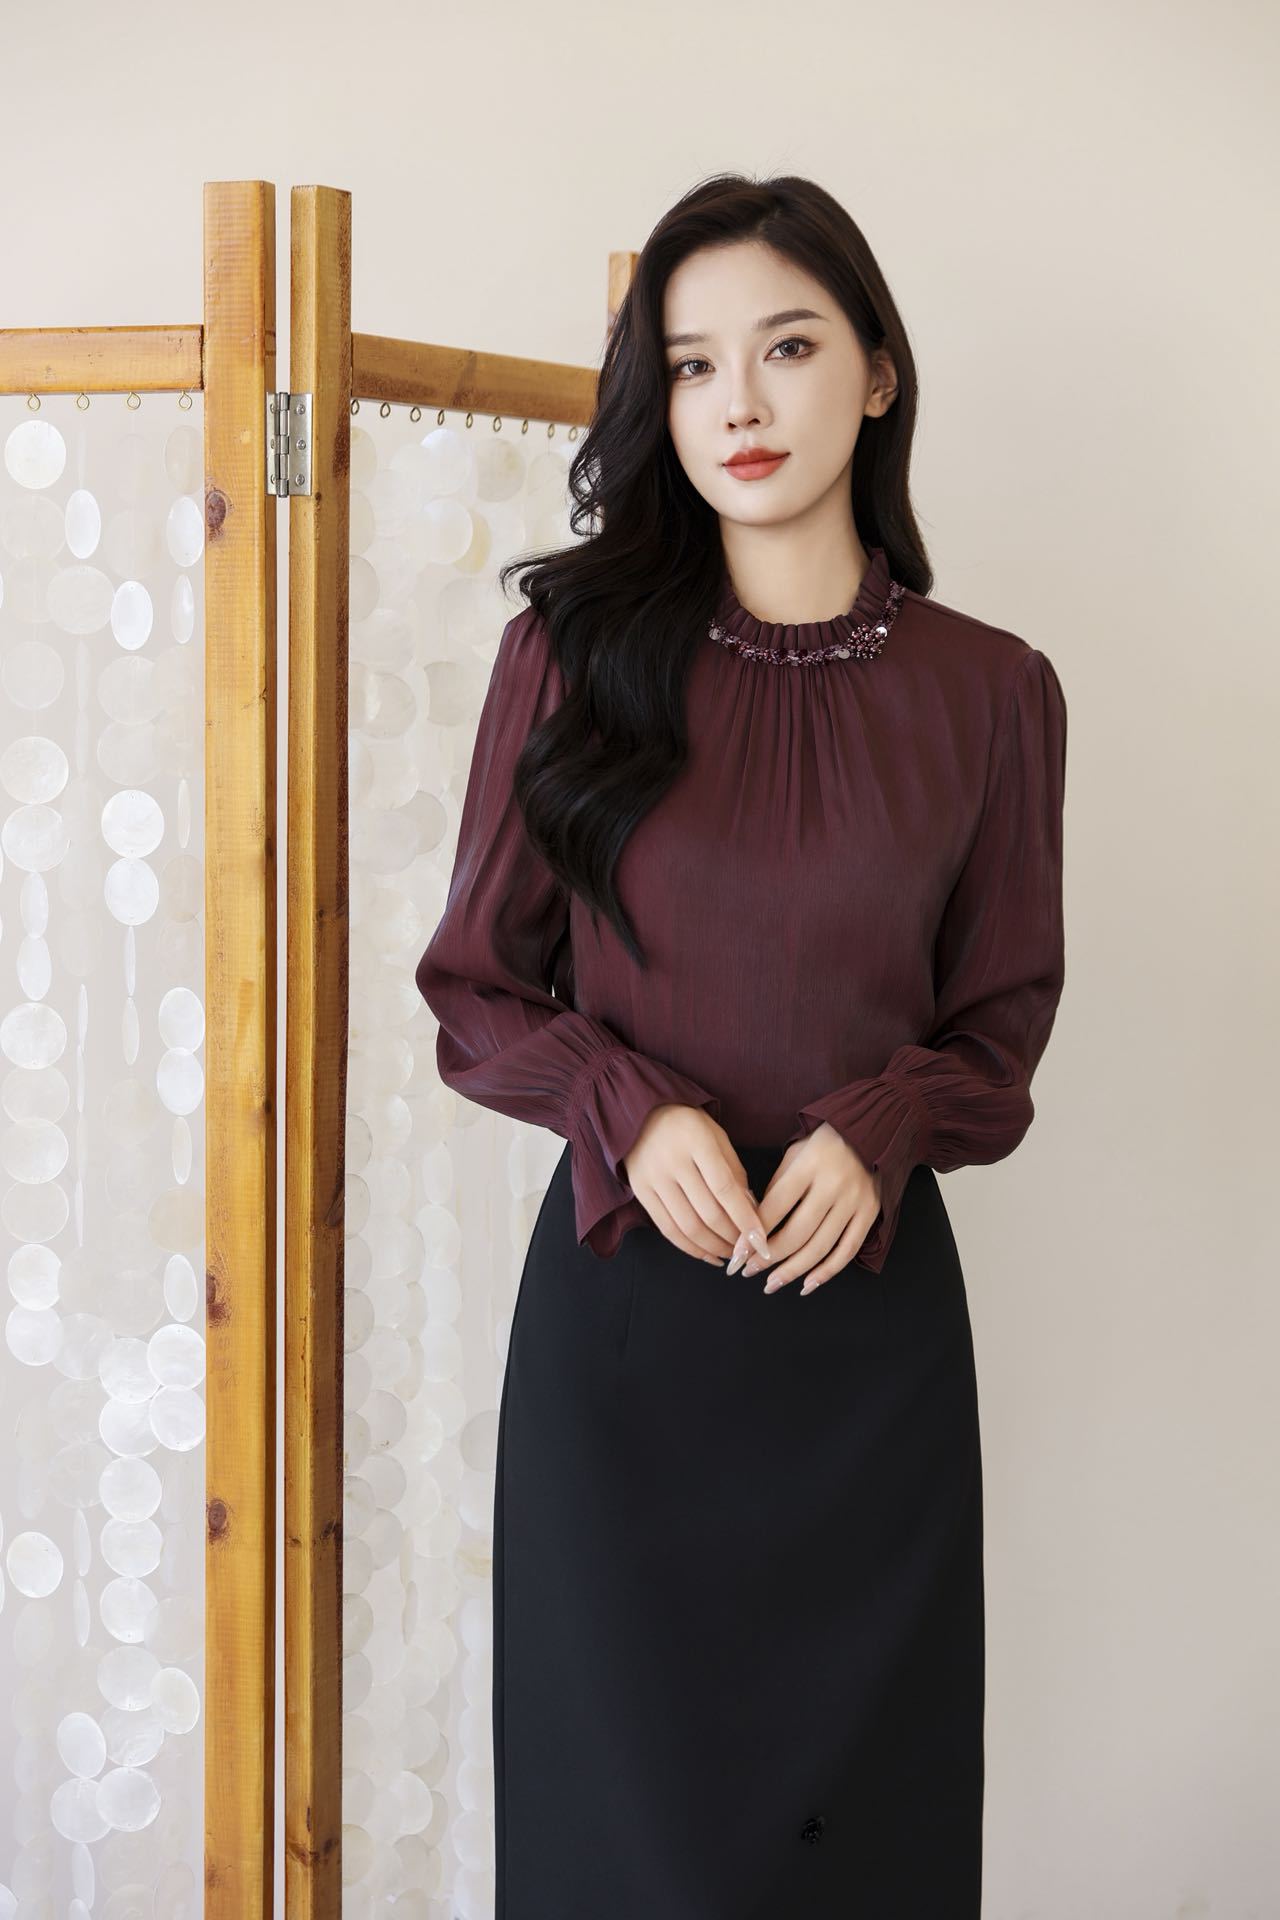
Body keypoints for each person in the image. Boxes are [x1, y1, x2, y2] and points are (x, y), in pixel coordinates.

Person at [416, 171, 1067, 1920]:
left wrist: (887, 1120)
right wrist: (625, 1108)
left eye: (786, 348)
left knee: (870, 1856)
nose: (740, 404)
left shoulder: (994, 692)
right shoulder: (567, 657)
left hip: (867, 1355)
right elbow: (477, 990)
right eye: (694, 365)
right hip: (627, 1342)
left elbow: (1002, 1027)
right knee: (626, 1857)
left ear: (877, 373)